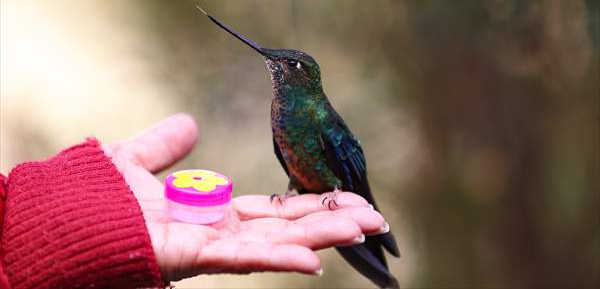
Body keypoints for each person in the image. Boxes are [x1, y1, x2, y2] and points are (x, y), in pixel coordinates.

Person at [0, 114, 388, 288]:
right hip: (300, 182)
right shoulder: (281, 118)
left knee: (357, 227)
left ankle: (376, 261)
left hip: (335, 183)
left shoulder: (320, 119)